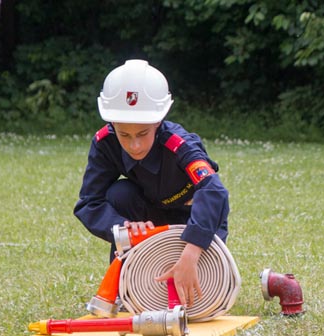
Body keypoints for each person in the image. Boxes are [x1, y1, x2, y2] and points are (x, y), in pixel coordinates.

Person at [74, 59, 230, 307]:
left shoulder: (180, 144)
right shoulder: (105, 143)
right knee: (119, 193)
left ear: (158, 121)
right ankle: (127, 285)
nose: (134, 145)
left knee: (197, 302)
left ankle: (190, 259)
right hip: (148, 219)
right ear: (112, 124)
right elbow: (89, 203)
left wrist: (192, 251)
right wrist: (125, 228)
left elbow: (214, 191)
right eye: (125, 135)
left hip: (195, 219)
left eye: (143, 134)